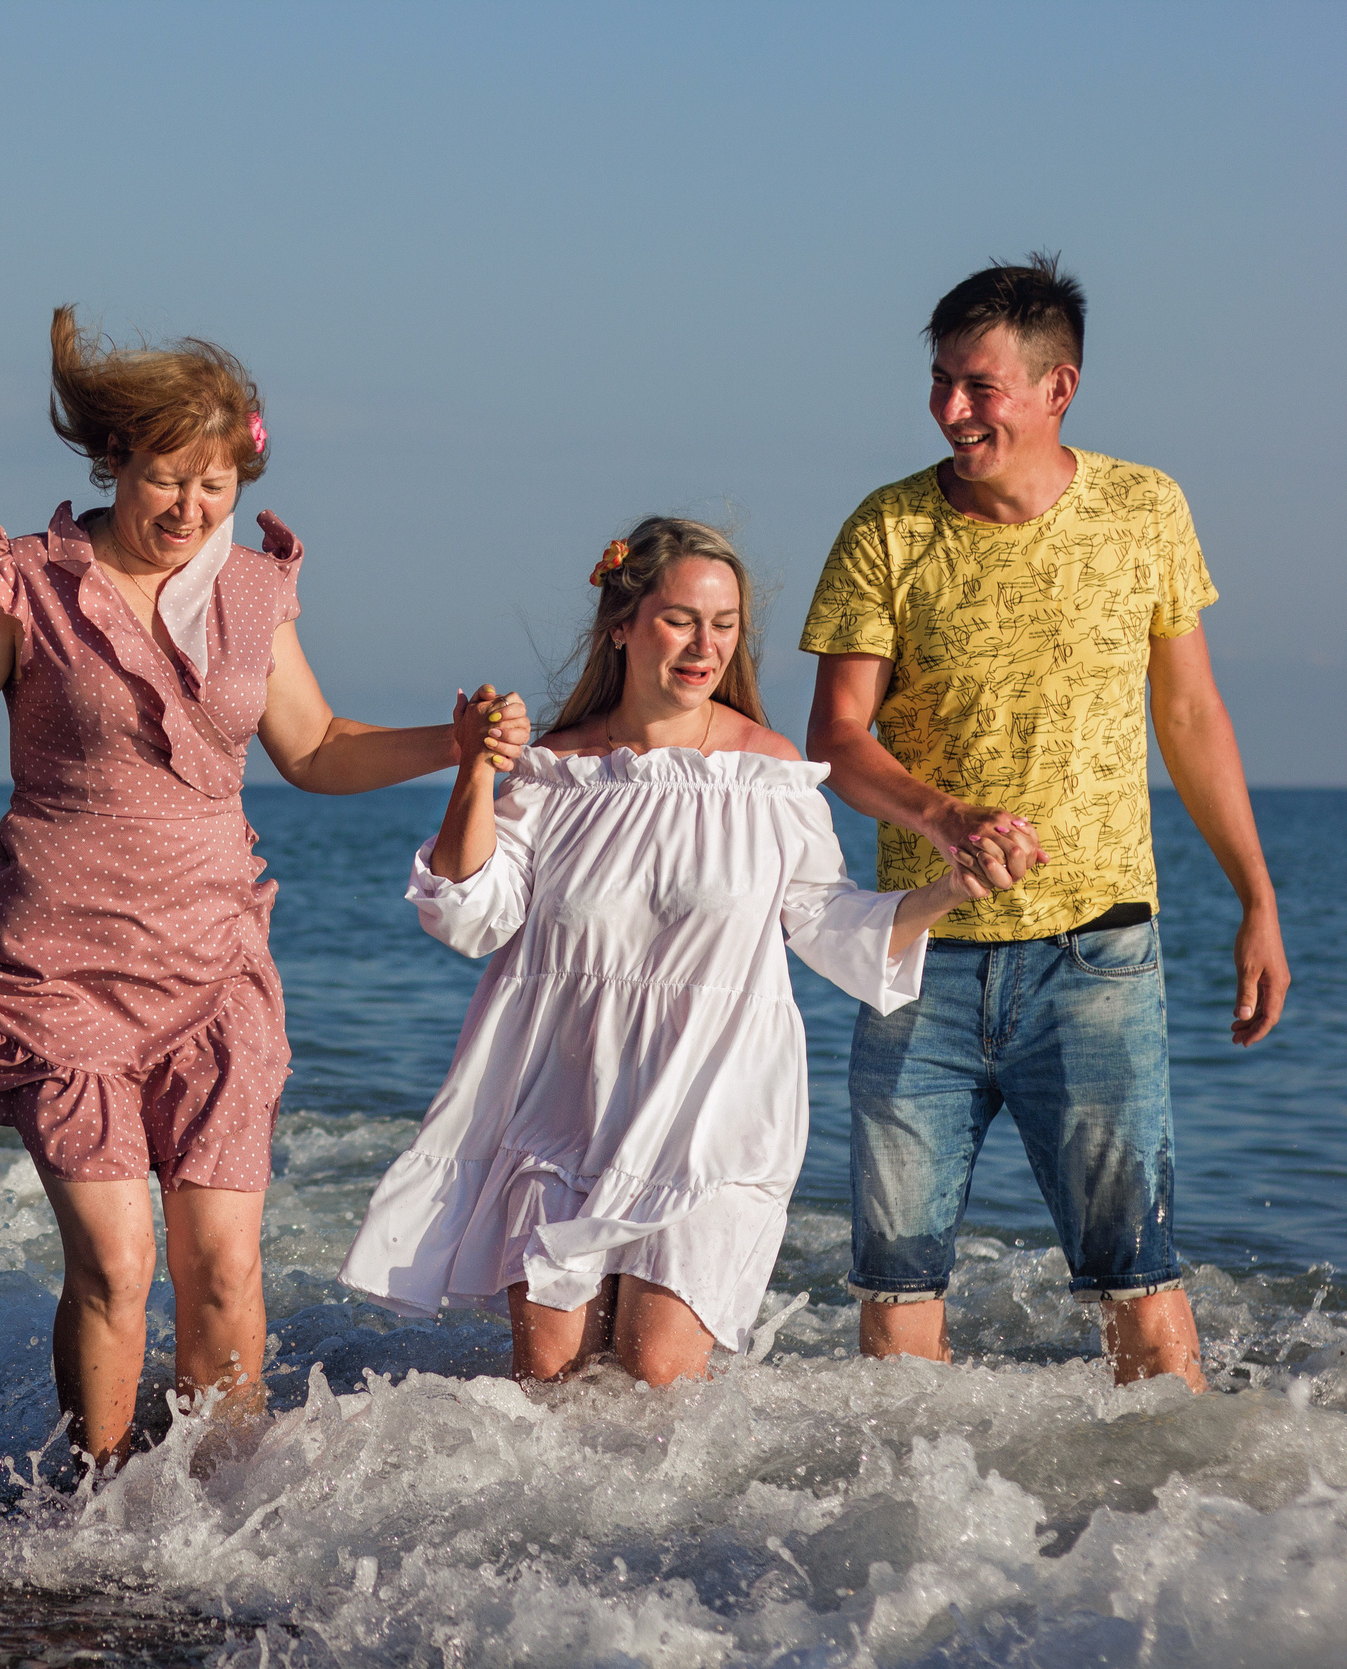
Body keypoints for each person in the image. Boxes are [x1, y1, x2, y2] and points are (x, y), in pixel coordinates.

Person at [0, 308, 471, 1465]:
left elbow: (315, 750)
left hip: (212, 971)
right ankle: (93, 1506)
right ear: (113, 461)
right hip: (56, 975)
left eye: (214, 485)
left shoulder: (254, 592)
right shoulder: (28, 582)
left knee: (222, 1270)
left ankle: (220, 1514)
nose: (189, 508)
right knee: (115, 1269)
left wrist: (454, 743)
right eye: (167, 479)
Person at [338, 521, 991, 1382]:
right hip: (563, 1108)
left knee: (654, 1377)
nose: (705, 645)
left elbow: (829, 926)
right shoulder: (556, 773)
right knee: (549, 1382)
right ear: (621, 623)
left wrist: (947, 891)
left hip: (715, 1114)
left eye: (724, 625)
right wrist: (473, 770)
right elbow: (472, 917)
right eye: (680, 619)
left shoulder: (768, 774)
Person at [802, 255, 1290, 1392]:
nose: (951, 410)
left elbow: (1190, 713)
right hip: (916, 955)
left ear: (1057, 385)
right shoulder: (886, 528)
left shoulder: (1145, 507)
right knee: (898, 1293)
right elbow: (836, 740)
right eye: (940, 382)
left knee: (1138, 1281)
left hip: (1097, 954)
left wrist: (1257, 900)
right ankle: (894, 1554)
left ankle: (1185, 1536)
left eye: (979, 386)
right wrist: (944, 812)